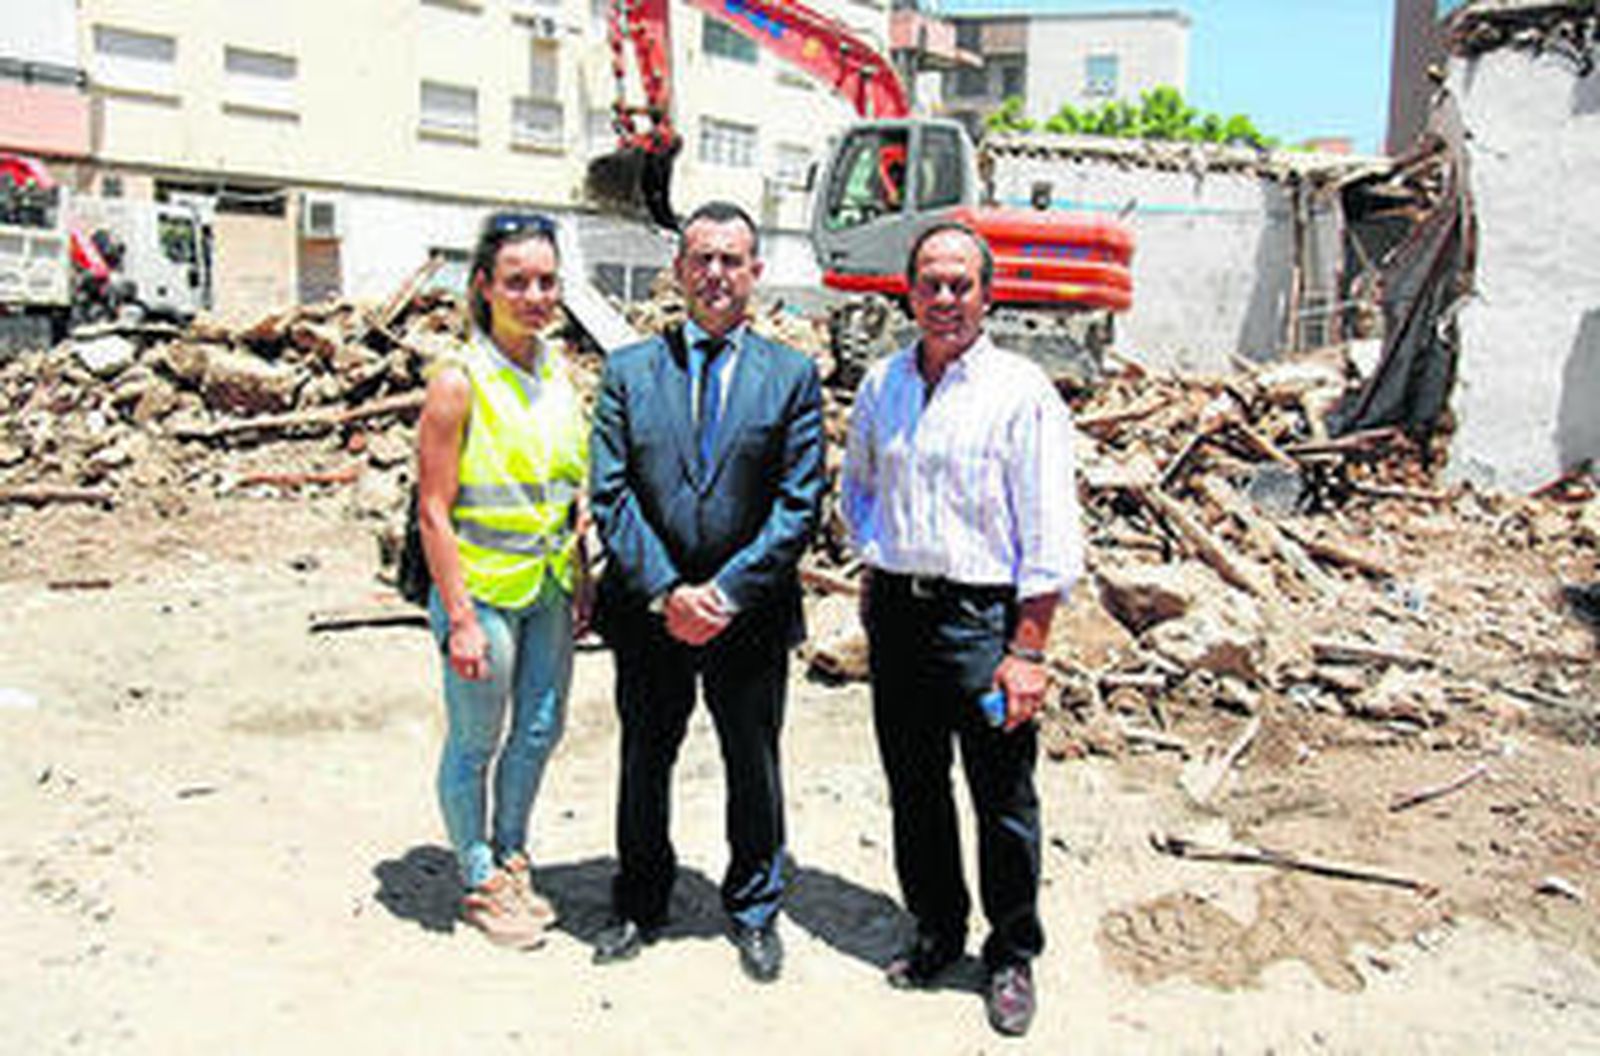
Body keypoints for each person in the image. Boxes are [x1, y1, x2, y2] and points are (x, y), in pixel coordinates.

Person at [840, 222, 1084, 1037]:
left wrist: (1028, 649)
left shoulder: (1022, 392)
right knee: (916, 788)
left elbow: (1050, 532)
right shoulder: (882, 384)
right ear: (908, 292)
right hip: (901, 616)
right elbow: (861, 489)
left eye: (960, 285)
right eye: (930, 284)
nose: (944, 299)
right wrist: (877, 566)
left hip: (985, 621)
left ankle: (1011, 953)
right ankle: (938, 928)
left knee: (1002, 796)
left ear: (987, 295)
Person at [588, 201, 824, 982]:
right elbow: (612, 494)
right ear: (679, 271)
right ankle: (641, 899)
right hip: (649, 616)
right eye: (702, 259)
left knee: (753, 765)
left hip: (748, 618)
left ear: (756, 272)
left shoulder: (790, 377)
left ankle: (754, 907)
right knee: (644, 761)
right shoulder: (628, 371)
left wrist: (722, 593)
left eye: (733, 259)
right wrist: (665, 593)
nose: (717, 274)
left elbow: (799, 504)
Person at [415, 210, 590, 949]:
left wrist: (580, 578)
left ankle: (513, 852)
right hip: (481, 591)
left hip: (548, 586)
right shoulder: (459, 382)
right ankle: (478, 873)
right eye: (516, 281)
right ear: (484, 286)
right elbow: (432, 508)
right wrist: (458, 616)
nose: (535, 294)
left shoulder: (558, 371)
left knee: (541, 729)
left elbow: (568, 490)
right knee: (476, 740)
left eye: (547, 281)